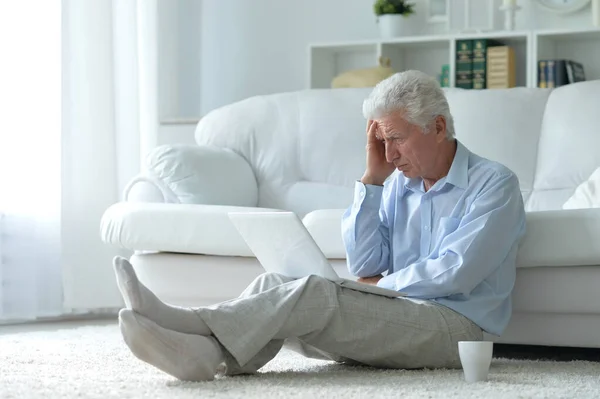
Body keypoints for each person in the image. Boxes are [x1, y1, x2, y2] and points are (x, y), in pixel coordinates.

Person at [113, 70, 526, 382]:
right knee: (273, 283)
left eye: (395, 138)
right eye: (380, 141)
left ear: (437, 127)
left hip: (458, 328)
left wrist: (378, 288)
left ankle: (186, 321)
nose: (389, 152)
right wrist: (372, 181)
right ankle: (207, 358)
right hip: (404, 313)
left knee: (314, 295)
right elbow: (365, 261)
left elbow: (458, 271)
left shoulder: (494, 184)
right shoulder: (398, 183)